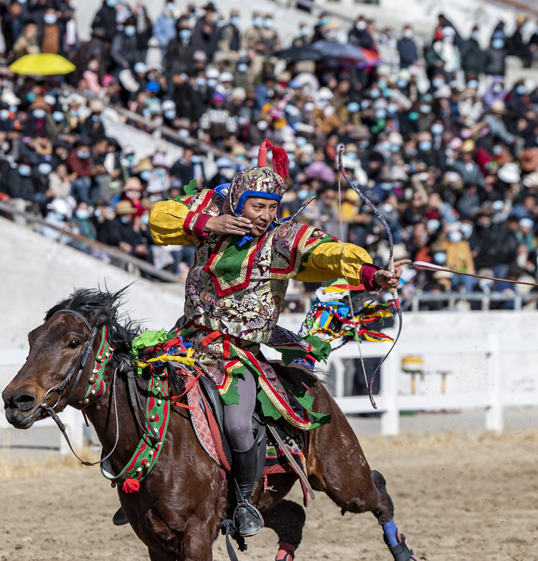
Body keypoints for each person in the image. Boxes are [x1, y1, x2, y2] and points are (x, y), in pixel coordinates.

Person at [148, 140, 404, 538]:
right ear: (237, 204)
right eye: (257, 206)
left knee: (236, 424)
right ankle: (149, 490)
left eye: (272, 207)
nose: (266, 216)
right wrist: (208, 224)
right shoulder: (209, 225)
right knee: (138, 390)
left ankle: (245, 502)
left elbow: (328, 254)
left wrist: (371, 274)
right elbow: (160, 218)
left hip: (235, 357)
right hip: (185, 344)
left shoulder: (282, 241)